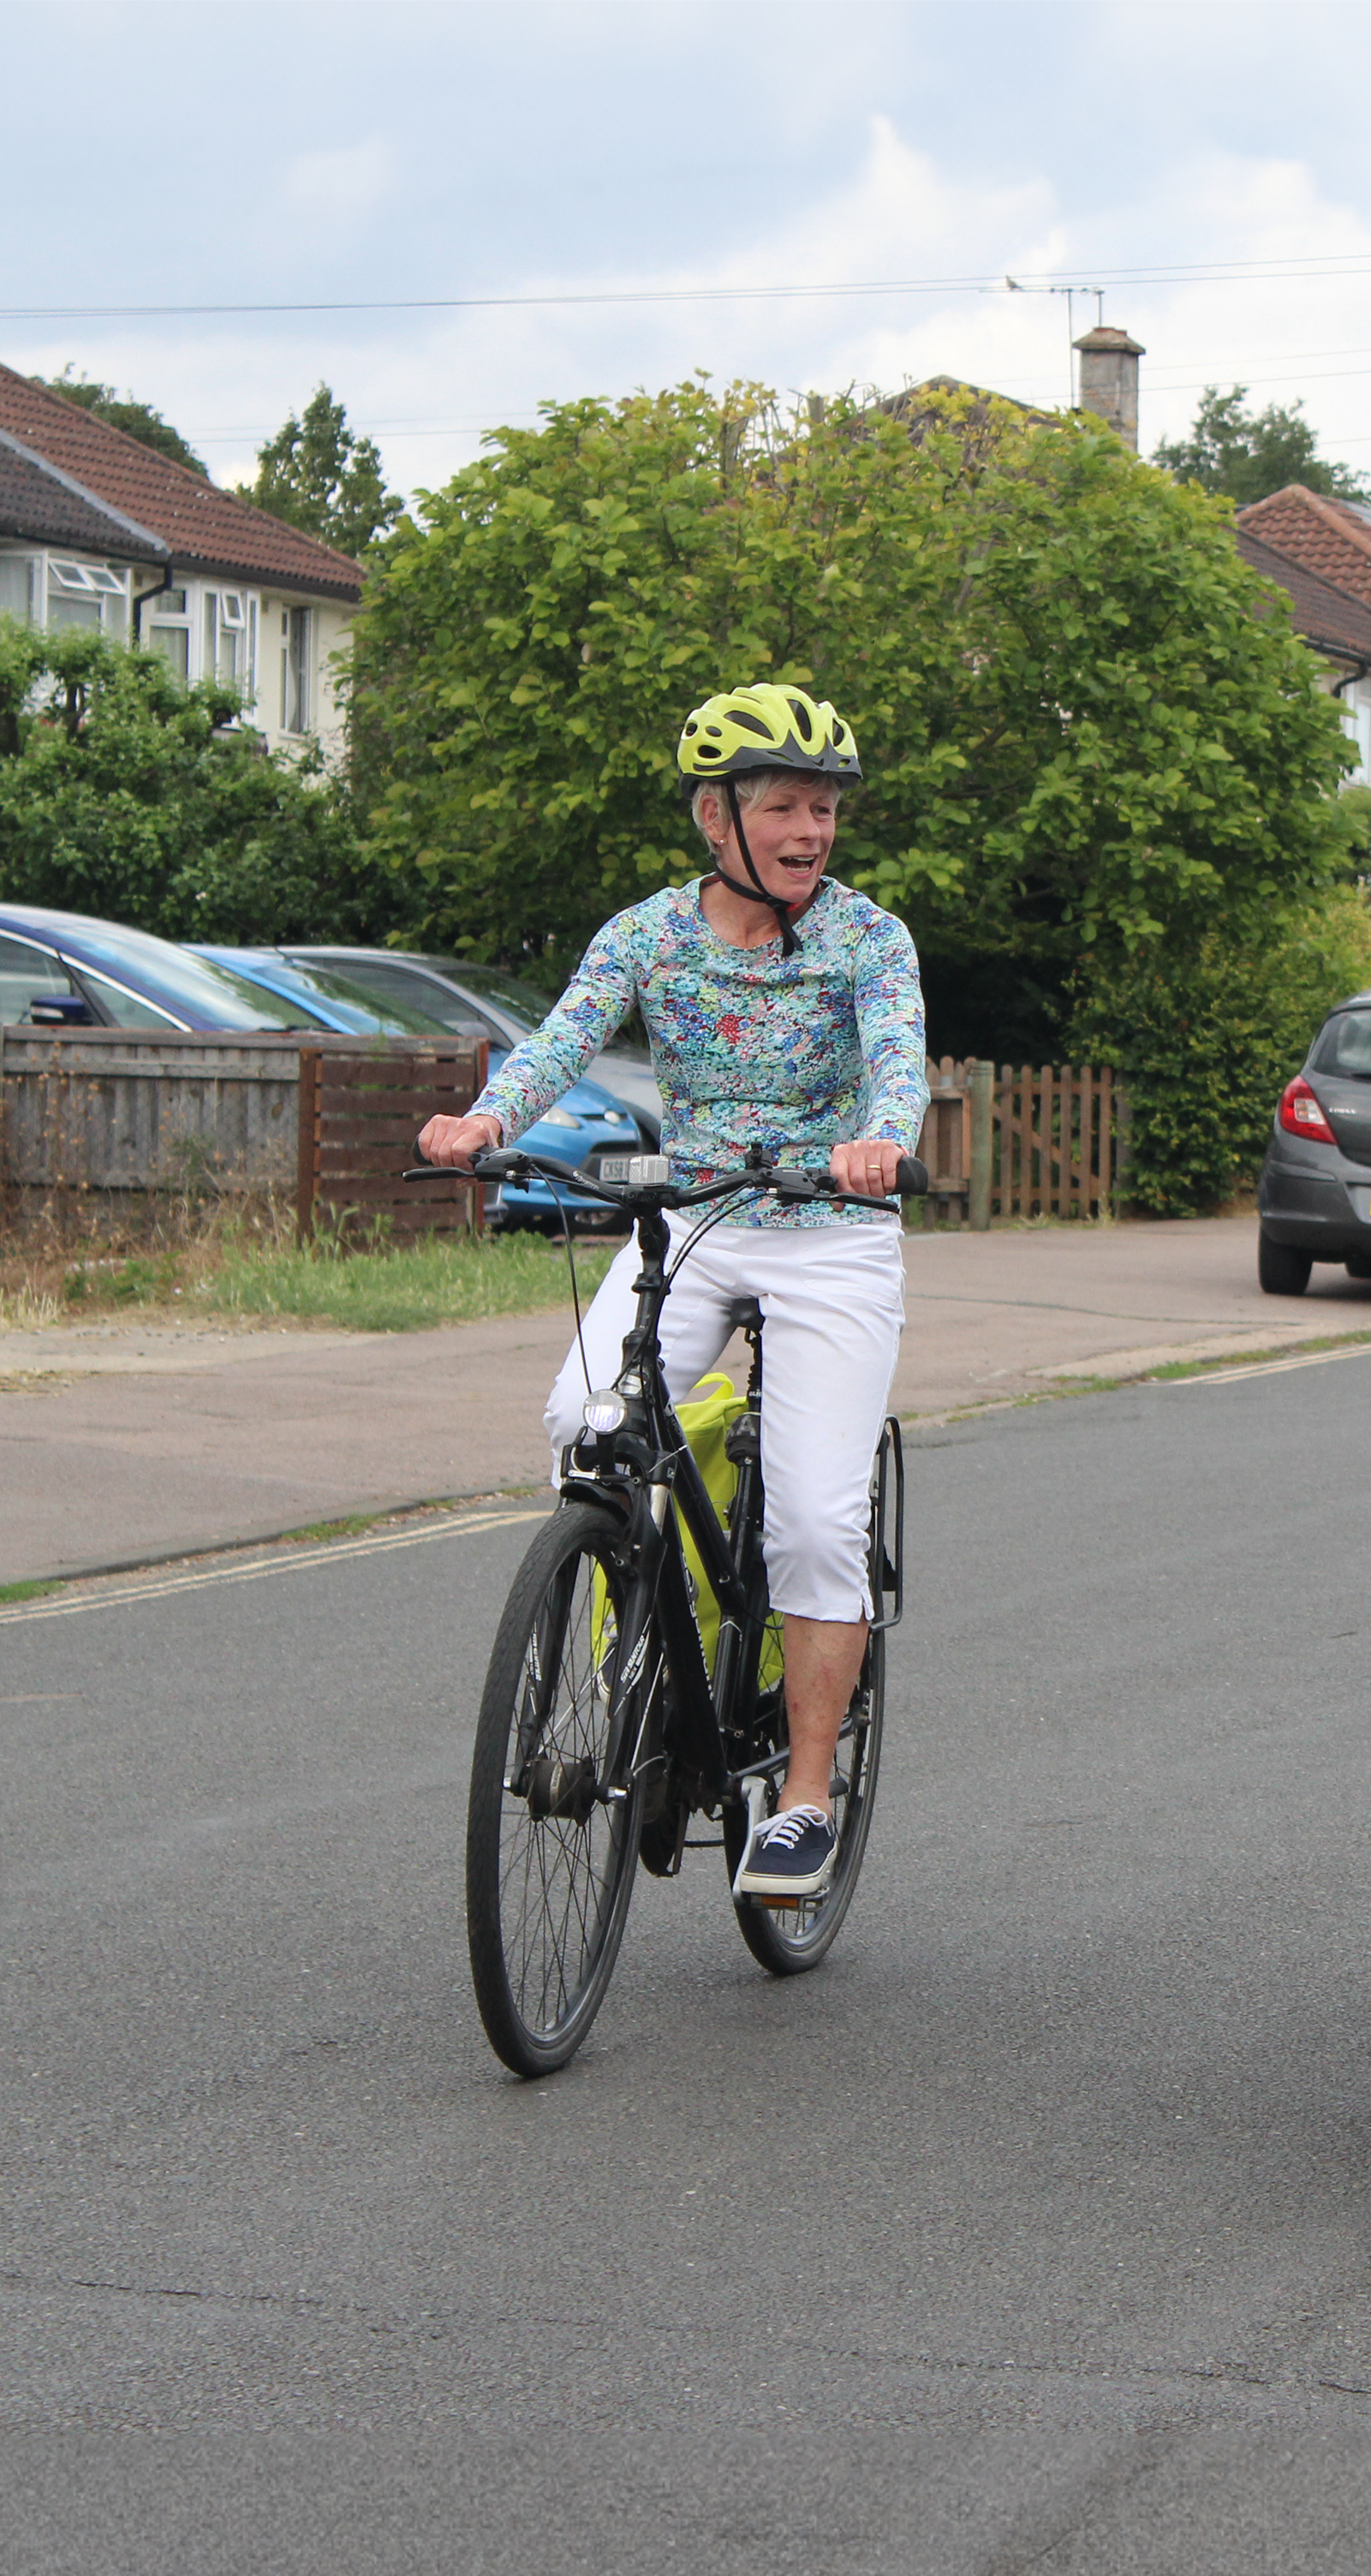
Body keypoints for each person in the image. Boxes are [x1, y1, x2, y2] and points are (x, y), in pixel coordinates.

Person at [414, 683, 921, 1905]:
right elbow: (561, 1039)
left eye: (825, 810)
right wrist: (489, 1116)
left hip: (830, 1232)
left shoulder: (867, 939)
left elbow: (897, 1052)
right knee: (583, 1421)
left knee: (811, 1522)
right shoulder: (647, 935)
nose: (811, 832)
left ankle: (801, 1793)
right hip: (692, 1219)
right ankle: (639, 1627)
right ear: (716, 816)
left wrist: (879, 1137)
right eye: (786, 808)